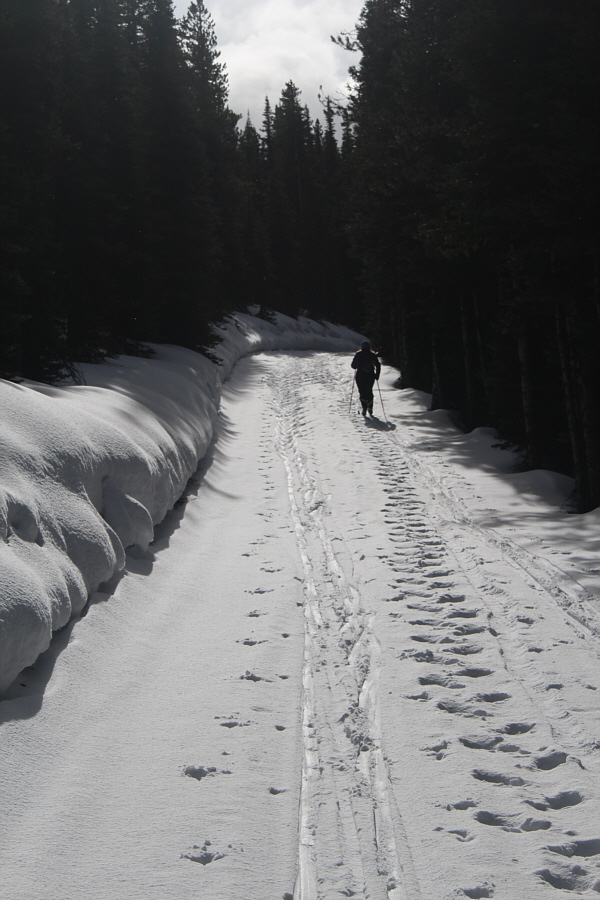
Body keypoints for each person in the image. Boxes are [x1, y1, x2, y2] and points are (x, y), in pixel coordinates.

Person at [351, 340, 381, 416]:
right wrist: (377, 375)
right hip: (370, 376)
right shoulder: (372, 355)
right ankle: (370, 407)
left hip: (360, 376)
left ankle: (364, 407)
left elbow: (353, 366)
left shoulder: (358, 354)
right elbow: (378, 365)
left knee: (362, 391)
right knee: (369, 391)